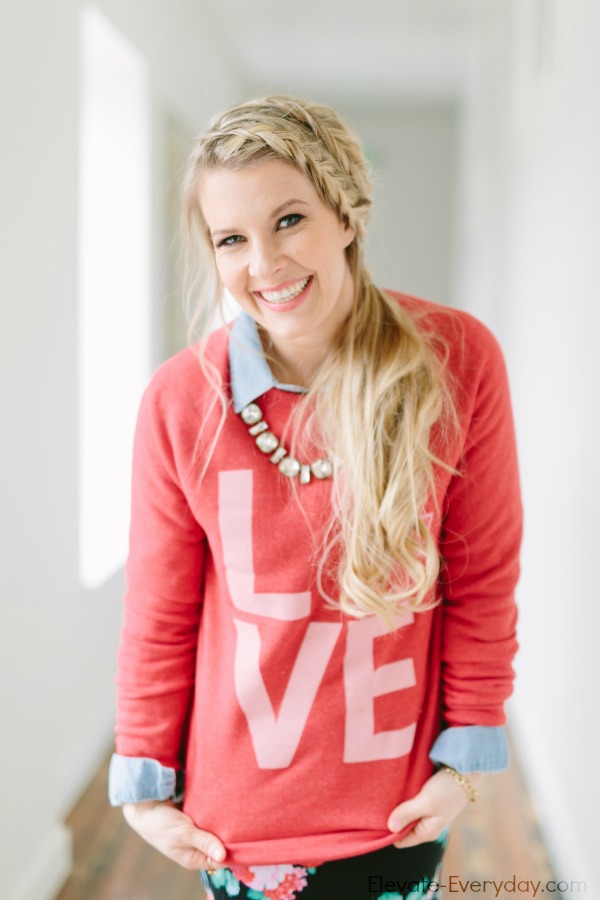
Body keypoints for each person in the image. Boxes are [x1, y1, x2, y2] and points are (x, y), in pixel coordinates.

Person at [108, 95, 522, 900]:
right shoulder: (180, 401)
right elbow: (160, 612)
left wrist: (465, 762)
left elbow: (484, 578)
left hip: (397, 813)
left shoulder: (458, 360)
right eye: (231, 239)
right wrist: (146, 789)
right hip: (233, 827)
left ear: (345, 212)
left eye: (289, 219)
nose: (263, 264)